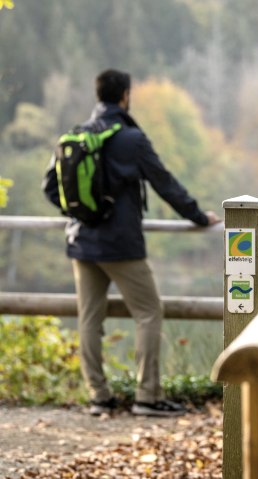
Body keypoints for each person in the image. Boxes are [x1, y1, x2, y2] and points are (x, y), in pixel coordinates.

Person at [42, 69, 220, 417]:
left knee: (89, 318)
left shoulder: (76, 135)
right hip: (121, 244)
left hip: (81, 242)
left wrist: (84, 214)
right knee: (149, 312)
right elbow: (164, 183)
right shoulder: (131, 138)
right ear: (125, 95)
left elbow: (51, 187)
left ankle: (99, 396)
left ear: (99, 96)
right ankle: (147, 396)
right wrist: (200, 217)